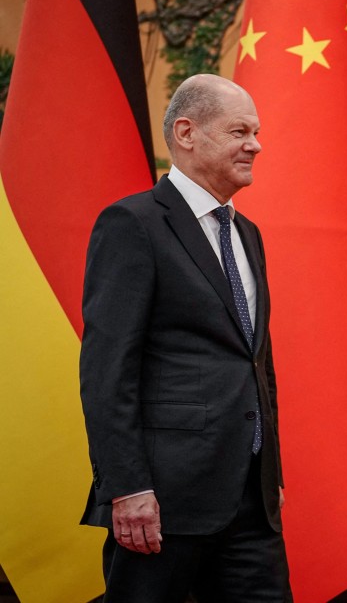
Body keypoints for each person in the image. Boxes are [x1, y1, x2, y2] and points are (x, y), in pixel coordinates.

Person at [79, 73, 291, 601]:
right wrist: (126, 487)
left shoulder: (247, 234)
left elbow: (254, 362)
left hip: (250, 500)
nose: (256, 145)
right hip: (163, 502)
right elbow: (108, 371)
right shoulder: (133, 224)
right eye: (240, 130)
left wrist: (271, 473)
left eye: (257, 132)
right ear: (187, 132)